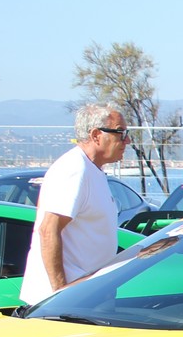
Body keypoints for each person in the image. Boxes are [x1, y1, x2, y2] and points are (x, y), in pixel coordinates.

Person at [19, 102, 130, 304]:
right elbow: (48, 230)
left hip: (88, 295)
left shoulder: (92, 170)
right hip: (66, 303)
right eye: (120, 133)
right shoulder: (75, 169)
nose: (127, 140)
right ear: (96, 135)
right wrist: (60, 294)